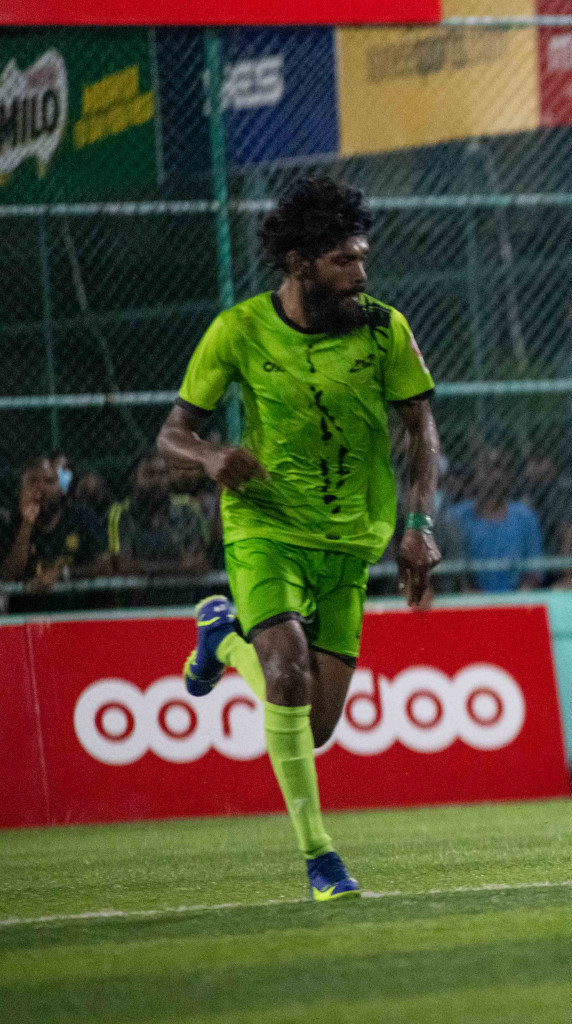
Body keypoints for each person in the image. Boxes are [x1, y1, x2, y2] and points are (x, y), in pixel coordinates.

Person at [157, 176, 441, 902]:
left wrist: (418, 526)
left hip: (351, 540)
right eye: (344, 261)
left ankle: (221, 638)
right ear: (297, 262)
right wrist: (214, 457)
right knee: (284, 673)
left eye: (363, 257)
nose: (361, 274)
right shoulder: (239, 330)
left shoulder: (385, 328)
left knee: (312, 728)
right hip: (266, 526)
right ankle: (321, 859)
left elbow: (421, 430)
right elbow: (173, 435)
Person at [2, 456, 110, 591]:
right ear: (20, 490)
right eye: (33, 481)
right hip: (29, 608)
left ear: (60, 489)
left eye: (49, 481)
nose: (41, 488)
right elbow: (8, 575)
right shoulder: (12, 523)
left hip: (77, 607)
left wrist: (63, 574)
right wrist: (26, 525)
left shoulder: (81, 517)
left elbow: (104, 565)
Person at [446, 448, 542, 592]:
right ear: (475, 474)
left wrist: (517, 600)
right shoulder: (457, 517)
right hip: (471, 601)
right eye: (487, 468)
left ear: (509, 477)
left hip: (517, 601)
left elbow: (535, 571)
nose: (495, 475)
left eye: (501, 468)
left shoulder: (524, 517)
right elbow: (452, 571)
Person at [107, 452, 210, 577]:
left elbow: (198, 563)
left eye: (163, 474)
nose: (157, 481)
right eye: (149, 474)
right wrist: (178, 566)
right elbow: (123, 566)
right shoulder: (121, 512)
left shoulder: (187, 508)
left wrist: (143, 566)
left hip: (181, 593)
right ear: (134, 478)